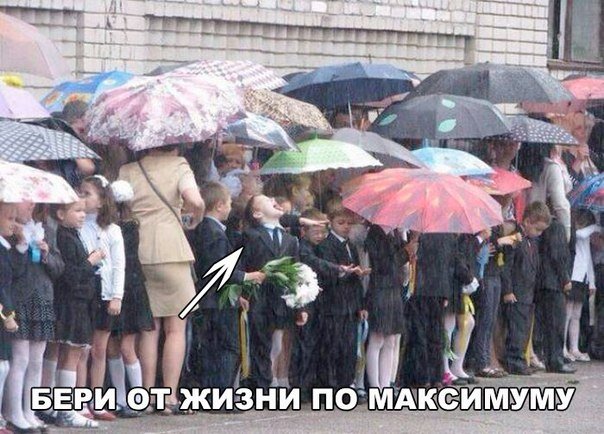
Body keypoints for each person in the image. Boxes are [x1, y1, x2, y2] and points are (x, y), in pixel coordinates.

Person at [118, 144, 204, 413]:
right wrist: (195, 217)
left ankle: (145, 394)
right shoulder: (179, 165)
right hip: (171, 249)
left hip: (138, 250)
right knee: (176, 328)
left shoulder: (128, 169)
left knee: (149, 328)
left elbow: (120, 207)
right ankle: (168, 397)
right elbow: (196, 201)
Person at [190, 182, 264, 395]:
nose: (231, 207)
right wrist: (247, 276)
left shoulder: (208, 229)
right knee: (227, 347)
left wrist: (236, 295)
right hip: (215, 301)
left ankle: (213, 392)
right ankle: (221, 393)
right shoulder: (212, 232)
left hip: (215, 299)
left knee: (214, 348)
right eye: (229, 203)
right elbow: (216, 269)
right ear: (220, 205)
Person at [5, 203, 63, 432]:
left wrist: (46, 253)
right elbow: (10, 271)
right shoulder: (10, 231)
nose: (30, 205)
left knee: (37, 360)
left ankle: (30, 411)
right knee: (20, 359)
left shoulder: (47, 229)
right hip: (20, 300)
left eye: (33, 202)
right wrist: (21, 245)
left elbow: (59, 268)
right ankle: (13, 412)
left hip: (43, 299)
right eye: (25, 201)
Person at [239, 195, 306, 389]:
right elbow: (241, 264)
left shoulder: (290, 240)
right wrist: (242, 293)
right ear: (257, 213)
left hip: (280, 300)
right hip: (257, 298)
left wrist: (300, 306)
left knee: (276, 345)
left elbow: (295, 272)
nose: (273, 200)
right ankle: (261, 386)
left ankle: (267, 381)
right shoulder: (250, 235)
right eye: (267, 200)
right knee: (259, 344)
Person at [78, 175, 125, 421]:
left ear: (101, 200)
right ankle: (79, 401)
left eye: (87, 194)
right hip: (85, 291)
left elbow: (118, 265)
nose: (82, 198)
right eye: (81, 192)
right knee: (82, 349)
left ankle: (97, 400)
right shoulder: (77, 226)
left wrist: (117, 296)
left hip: (105, 292)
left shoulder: (113, 230)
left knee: (100, 349)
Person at [106, 180, 153, 418]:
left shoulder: (126, 227)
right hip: (122, 287)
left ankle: (136, 397)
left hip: (129, 288)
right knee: (114, 346)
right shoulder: (124, 225)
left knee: (124, 346)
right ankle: (120, 398)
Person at [53, 198, 102, 428]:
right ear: (61, 214)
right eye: (77, 210)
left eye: (84, 211)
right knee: (70, 355)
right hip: (72, 303)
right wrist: (90, 261)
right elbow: (71, 275)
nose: (83, 215)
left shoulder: (72, 235)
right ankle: (66, 409)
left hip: (79, 302)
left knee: (69, 355)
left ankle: (62, 407)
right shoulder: (64, 237)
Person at [291, 208, 348, 400]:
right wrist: (337, 268)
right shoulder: (302, 247)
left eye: (323, 232)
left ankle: (314, 384)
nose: (320, 236)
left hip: (321, 304)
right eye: (316, 232)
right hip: (306, 302)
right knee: (305, 346)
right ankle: (301, 386)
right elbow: (313, 262)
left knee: (318, 346)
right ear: (304, 231)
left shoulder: (321, 247)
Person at [315, 204, 369, 390]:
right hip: (333, 304)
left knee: (349, 348)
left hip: (350, 305)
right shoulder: (325, 245)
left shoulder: (351, 246)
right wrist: (345, 272)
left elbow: (357, 280)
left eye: (349, 223)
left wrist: (361, 305)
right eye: (341, 223)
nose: (346, 226)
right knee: (332, 348)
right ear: (331, 223)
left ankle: (346, 384)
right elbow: (325, 274)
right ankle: (330, 386)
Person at [402, 233, 460, 388]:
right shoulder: (447, 236)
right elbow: (450, 265)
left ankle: (422, 376)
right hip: (437, 290)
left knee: (420, 334)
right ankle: (435, 376)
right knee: (435, 334)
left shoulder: (422, 236)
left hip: (421, 290)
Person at [502, 202, 551, 376]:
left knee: (524, 328)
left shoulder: (532, 242)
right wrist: (508, 290)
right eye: (537, 229)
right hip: (516, 291)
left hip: (528, 292)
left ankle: (521, 358)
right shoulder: (516, 238)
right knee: (516, 328)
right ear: (528, 221)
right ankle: (514, 360)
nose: (539, 233)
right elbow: (507, 265)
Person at [364, 225, 408, 390]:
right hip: (380, 289)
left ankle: (385, 384)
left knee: (391, 340)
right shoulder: (375, 233)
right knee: (377, 339)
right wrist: (406, 253)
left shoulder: (394, 233)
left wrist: (408, 247)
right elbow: (384, 265)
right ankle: (375, 385)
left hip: (394, 289)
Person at [534, 217, 576, 373]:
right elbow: (557, 254)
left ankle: (550, 357)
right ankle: (555, 360)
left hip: (544, 281)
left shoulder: (548, 227)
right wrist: (565, 278)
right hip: (553, 282)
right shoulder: (557, 227)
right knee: (556, 324)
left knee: (547, 324)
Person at [565, 210, 599, 362]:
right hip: (572, 276)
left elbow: (588, 259)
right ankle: (563, 348)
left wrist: (591, 281)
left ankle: (574, 348)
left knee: (576, 315)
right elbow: (580, 234)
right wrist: (596, 227)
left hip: (582, 278)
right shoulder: (574, 233)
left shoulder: (586, 236)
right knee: (567, 314)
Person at [520, 143, 572, 241]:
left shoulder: (519, 162)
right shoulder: (550, 167)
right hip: (538, 223)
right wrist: (566, 235)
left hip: (519, 222)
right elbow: (561, 204)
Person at [0, 203, 20, 433]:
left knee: (4, 365)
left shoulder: (5, 248)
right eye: (9, 218)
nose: (13, 224)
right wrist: (5, 315)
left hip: (6, 312)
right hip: (2, 313)